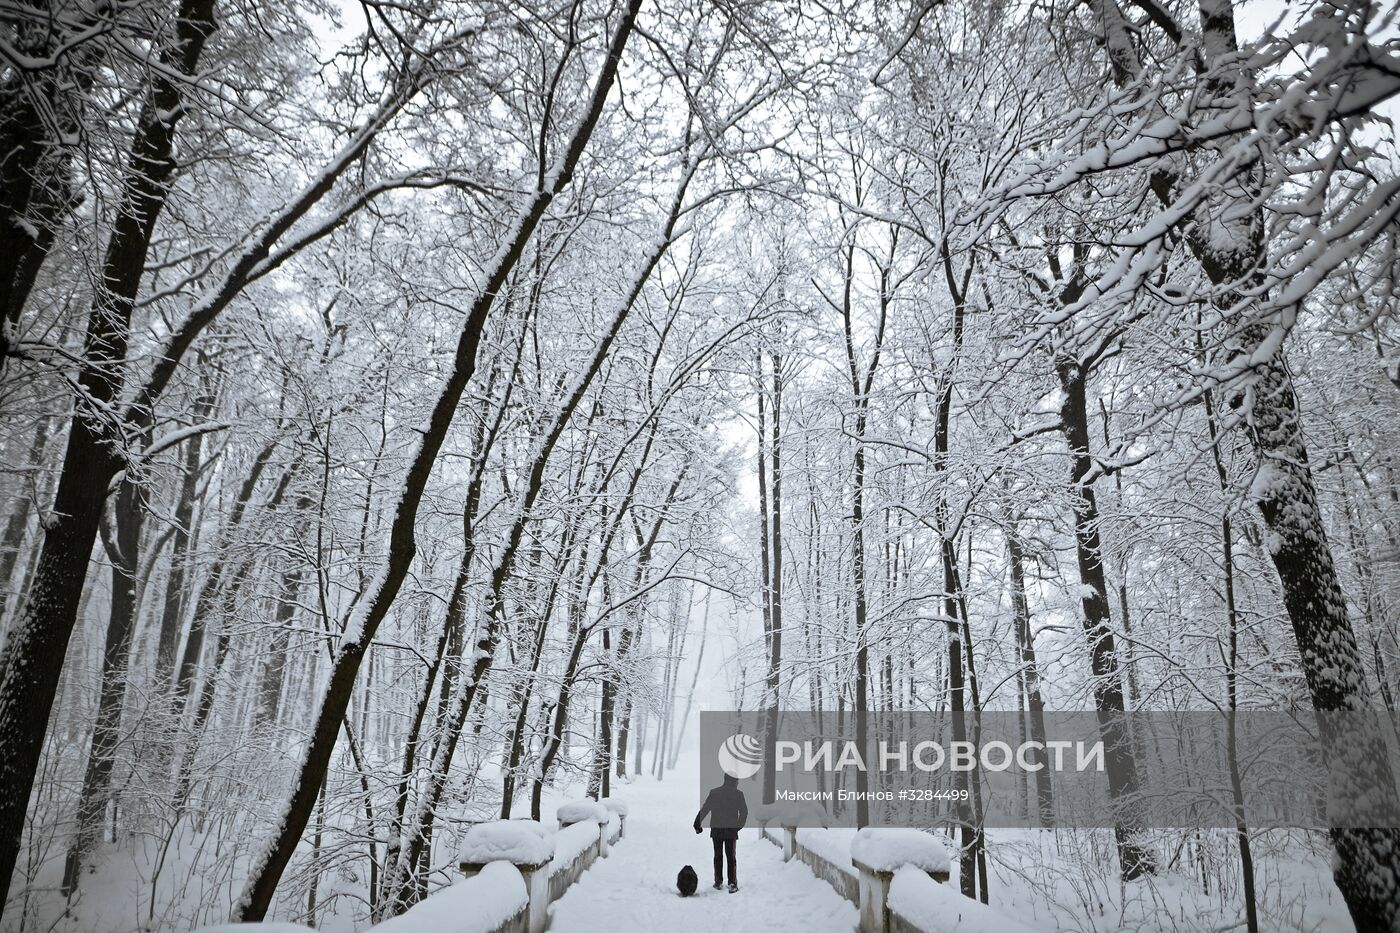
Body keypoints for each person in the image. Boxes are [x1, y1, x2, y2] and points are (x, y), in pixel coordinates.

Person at [693, 773, 747, 892]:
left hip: (717, 830)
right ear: (734, 781)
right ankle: (732, 883)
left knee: (718, 856)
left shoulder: (714, 793)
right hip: (731, 831)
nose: (738, 783)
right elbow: (744, 813)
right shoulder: (738, 794)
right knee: (731, 857)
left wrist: (697, 824)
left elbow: (705, 809)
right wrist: (738, 827)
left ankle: (718, 882)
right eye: (737, 781)